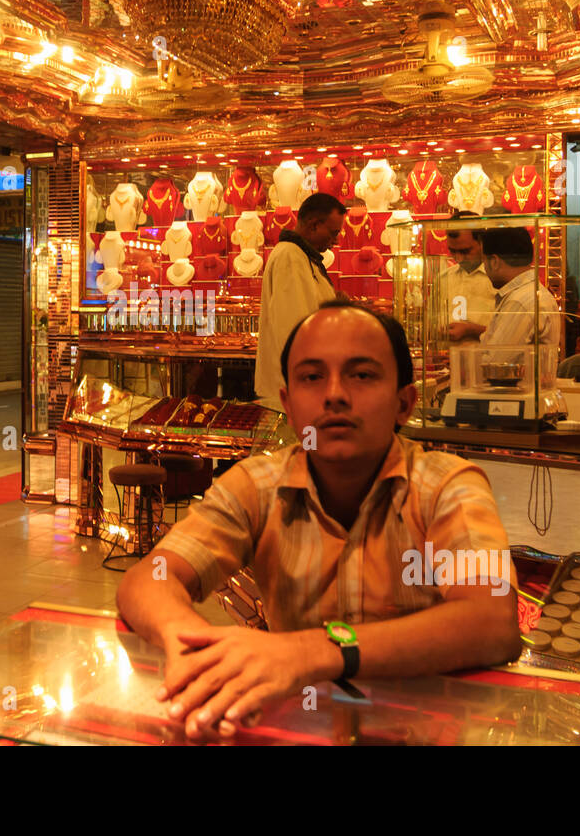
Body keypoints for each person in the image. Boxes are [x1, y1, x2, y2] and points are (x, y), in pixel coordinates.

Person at [116, 301, 520, 742]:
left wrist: (310, 650)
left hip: (419, 729)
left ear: (405, 403)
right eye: (312, 377)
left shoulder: (445, 487)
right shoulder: (257, 486)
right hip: (302, 730)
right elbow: (147, 579)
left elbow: (491, 620)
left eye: (361, 375)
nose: (334, 394)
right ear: (288, 405)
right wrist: (189, 643)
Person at [254, 192, 345, 411]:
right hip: (293, 394)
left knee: (308, 444)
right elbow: (294, 328)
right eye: (333, 232)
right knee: (307, 443)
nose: (336, 240)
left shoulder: (302, 256)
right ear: (314, 225)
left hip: (301, 390)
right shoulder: (290, 257)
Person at [450, 227, 560, 349]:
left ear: (494, 262)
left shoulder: (519, 302)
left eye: (484, 261)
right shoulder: (530, 293)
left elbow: (495, 360)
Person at [432, 210, 495, 342]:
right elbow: (432, 323)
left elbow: (508, 331)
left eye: (465, 251)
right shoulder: (443, 278)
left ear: (482, 242)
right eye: (452, 251)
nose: (459, 259)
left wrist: (470, 330)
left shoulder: (498, 279)